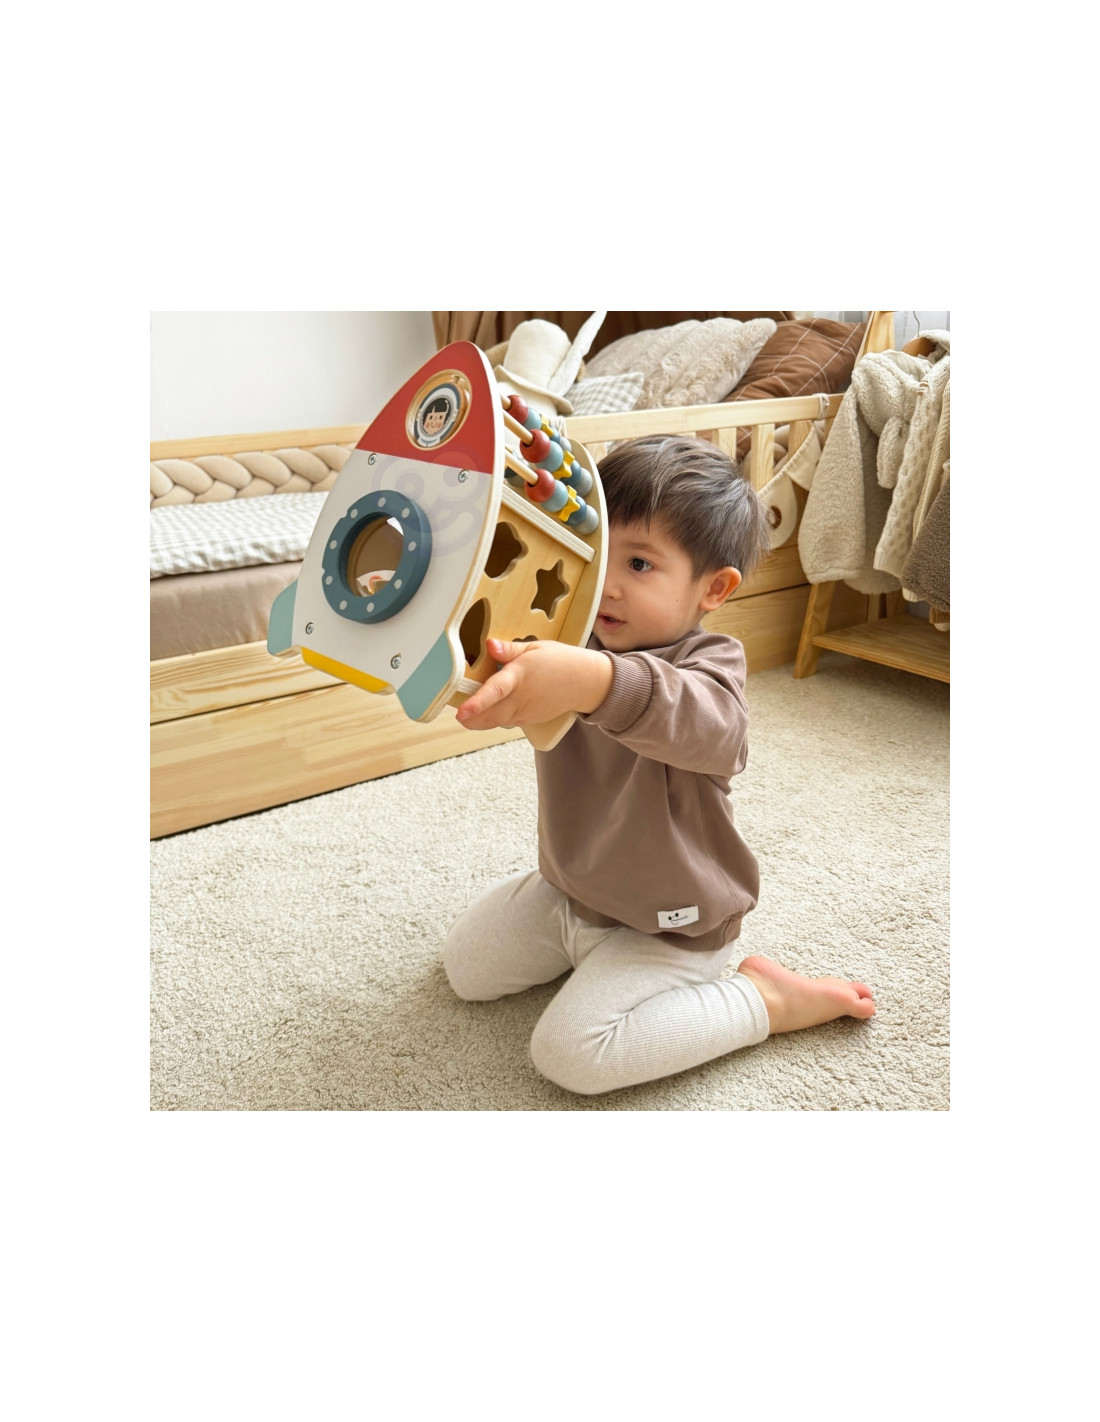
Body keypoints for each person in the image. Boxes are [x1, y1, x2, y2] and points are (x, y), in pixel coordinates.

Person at [444, 435, 875, 1095]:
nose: (607, 583)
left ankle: (766, 999)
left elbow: (715, 730)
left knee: (570, 1056)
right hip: (572, 889)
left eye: (640, 563)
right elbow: (486, 636)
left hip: (674, 923)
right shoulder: (569, 633)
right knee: (466, 970)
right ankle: (583, 926)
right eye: (599, 552)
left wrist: (591, 681)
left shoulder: (710, 662)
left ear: (713, 588)